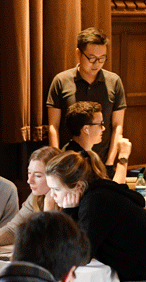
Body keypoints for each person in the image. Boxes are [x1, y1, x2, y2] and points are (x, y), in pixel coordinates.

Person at [45, 149, 146, 282]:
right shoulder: (96, 195)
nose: (52, 196)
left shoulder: (97, 202)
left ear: (78, 186)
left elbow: (79, 255)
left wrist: (68, 211)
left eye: (56, 189)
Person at [47, 27, 127, 177]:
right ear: (79, 53)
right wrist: (57, 160)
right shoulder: (61, 81)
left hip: (102, 162)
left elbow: (117, 126)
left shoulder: (114, 81)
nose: (96, 63)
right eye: (91, 58)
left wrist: (109, 162)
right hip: (70, 163)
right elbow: (53, 126)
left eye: (102, 58)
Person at [0, 146, 61, 247]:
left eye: (38, 175)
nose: (29, 181)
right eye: (29, 173)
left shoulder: (69, 200)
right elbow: (14, 228)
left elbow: (51, 243)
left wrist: (48, 207)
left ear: (56, 176)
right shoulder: (36, 197)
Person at [62, 101, 131, 184]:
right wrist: (123, 156)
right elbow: (112, 193)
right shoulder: (78, 161)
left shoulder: (75, 151)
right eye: (100, 124)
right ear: (86, 129)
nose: (103, 128)